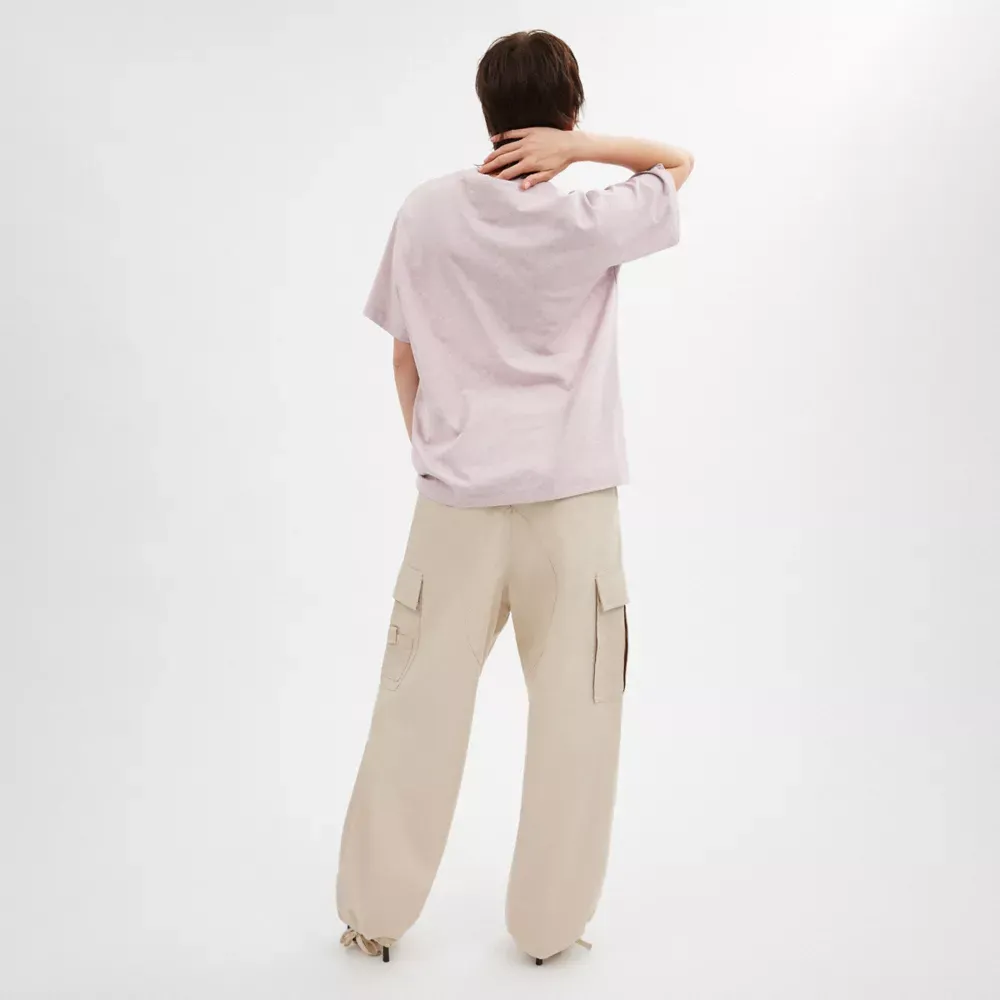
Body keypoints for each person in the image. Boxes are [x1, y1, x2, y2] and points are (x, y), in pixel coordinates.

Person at [336, 29, 694, 965]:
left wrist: (434, 448)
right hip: (572, 512)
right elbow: (678, 164)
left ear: (486, 111)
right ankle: (547, 930)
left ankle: (372, 916)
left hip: (453, 506)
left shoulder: (425, 213)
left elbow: (404, 354)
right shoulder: (593, 220)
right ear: (569, 111)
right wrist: (584, 151)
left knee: (416, 707)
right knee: (579, 716)